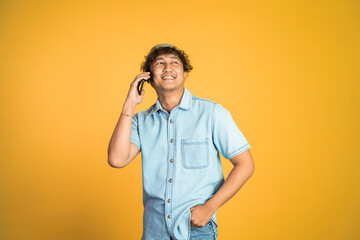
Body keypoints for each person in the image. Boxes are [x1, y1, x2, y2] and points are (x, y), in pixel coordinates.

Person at [107, 43, 255, 240]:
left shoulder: (212, 113)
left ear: (185, 74)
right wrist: (130, 104)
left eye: (174, 62)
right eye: (160, 63)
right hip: (154, 232)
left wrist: (210, 207)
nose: (167, 67)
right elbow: (117, 159)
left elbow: (245, 164)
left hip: (196, 230)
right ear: (148, 77)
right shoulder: (140, 121)